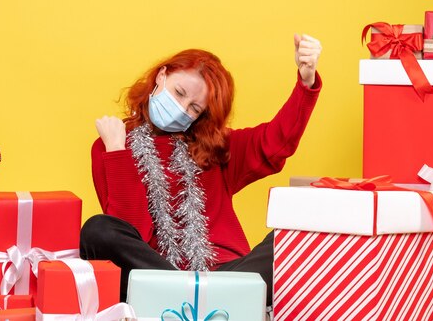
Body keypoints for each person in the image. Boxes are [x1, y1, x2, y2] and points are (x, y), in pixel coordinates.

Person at [80, 34, 322, 305]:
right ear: (162, 75)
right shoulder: (112, 145)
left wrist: (306, 82)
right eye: (179, 93)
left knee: (293, 236)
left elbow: (275, 142)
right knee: (98, 230)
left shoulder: (215, 147)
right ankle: (196, 299)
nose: (181, 109)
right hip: (153, 278)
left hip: (223, 276)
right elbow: (131, 229)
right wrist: (116, 150)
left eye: (194, 107)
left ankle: (198, 300)